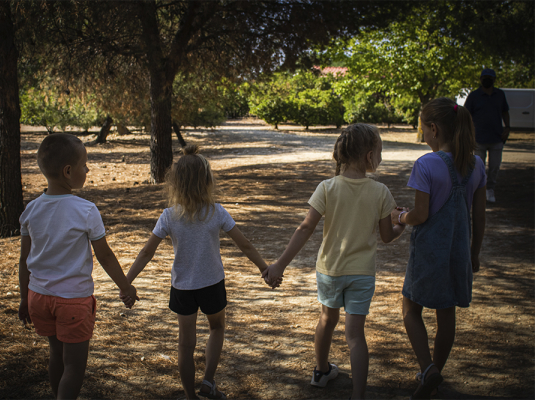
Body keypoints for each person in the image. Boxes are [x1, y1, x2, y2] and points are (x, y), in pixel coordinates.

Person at [263, 123, 406, 399]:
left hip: (330, 271)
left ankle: (320, 371)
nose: (381, 157)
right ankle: (358, 395)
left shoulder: (327, 188)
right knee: (355, 336)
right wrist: (402, 224)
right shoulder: (381, 192)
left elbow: (305, 228)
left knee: (327, 320)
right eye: (379, 151)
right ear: (368, 156)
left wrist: (280, 264)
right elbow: (387, 237)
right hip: (362, 274)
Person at [122, 145, 273, 400]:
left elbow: (146, 253)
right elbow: (244, 243)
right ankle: (208, 382)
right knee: (217, 328)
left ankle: (190, 396)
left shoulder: (169, 216)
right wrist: (264, 268)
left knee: (185, 344)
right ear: (207, 180)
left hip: (182, 288)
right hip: (212, 283)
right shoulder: (216, 212)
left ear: (176, 183)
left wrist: (125, 282)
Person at [18, 133, 138, 400]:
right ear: (68, 171)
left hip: (38, 297)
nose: (88, 169)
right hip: (72, 301)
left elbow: (24, 260)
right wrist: (126, 286)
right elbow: (105, 256)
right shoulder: (85, 210)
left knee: (55, 355)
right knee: (74, 365)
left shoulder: (31, 210)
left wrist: (23, 297)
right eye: (85, 164)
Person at [392, 98, 486, 399]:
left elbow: (420, 216)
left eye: (424, 131)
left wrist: (399, 217)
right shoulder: (477, 163)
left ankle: (427, 369)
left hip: (429, 251)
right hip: (458, 251)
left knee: (410, 308)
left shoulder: (426, 164)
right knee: (447, 313)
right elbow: (479, 216)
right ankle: (435, 373)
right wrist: (474, 253)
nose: (424, 137)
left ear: (434, 129)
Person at [463, 68, 510, 203]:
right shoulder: (474, 96)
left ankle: (490, 189)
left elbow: (505, 112)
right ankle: (479, 191)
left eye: (490, 77)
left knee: (495, 166)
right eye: (484, 78)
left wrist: (507, 127)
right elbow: (466, 114)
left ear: (494, 79)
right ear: (481, 79)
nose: (487, 80)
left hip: (497, 137)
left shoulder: (500, 95)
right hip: (478, 138)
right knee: (478, 166)